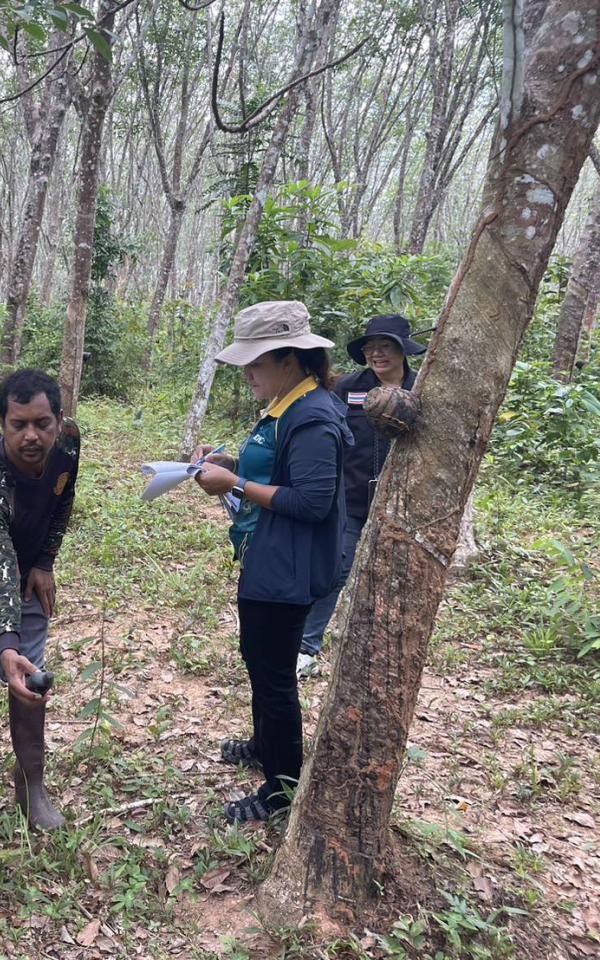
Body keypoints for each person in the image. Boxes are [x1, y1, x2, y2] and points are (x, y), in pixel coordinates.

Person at [190, 301, 351, 822]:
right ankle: (265, 743)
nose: (248, 373)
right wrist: (231, 465)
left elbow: (311, 501)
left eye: (255, 363)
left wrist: (234, 484)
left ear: (290, 359)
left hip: (290, 569)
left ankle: (280, 791)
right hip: (269, 557)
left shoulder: (314, 418)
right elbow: (278, 471)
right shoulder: (287, 406)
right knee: (258, 661)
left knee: (275, 675)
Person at [296, 314, 426, 678]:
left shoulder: (423, 389)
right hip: (351, 499)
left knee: (395, 580)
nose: (378, 354)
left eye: (386, 347)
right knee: (337, 569)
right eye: (371, 348)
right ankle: (306, 646)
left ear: (403, 351)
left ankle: (384, 656)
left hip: (404, 504)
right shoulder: (346, 387)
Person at [0, 369, 79, 831]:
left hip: (27, 573)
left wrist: (45, 559)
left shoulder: (68, 443)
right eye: (18, 424)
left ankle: (31, 785)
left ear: (59, 420)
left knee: (30, 682)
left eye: (41, 424)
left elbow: (63, 500)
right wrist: (7, 642)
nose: (31, 436)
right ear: (1, 424)